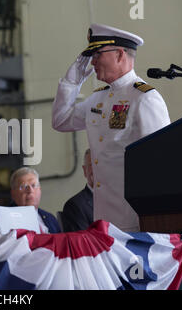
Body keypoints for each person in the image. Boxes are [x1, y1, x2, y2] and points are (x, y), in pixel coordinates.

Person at [52, 23, 170, 232]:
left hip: (135, 219)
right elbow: (60, 121)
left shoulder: (144, 98)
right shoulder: (98, 98)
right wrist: (71, 83)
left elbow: (161, 164)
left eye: (97, 54)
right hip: (104, 219)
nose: (93, 61)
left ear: (120, 54)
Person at [10, 167, 61, 233]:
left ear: (40, 189)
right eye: (23, 186)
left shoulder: (50, 218)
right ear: (13, 193)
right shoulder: (8, 218)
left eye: (33, 185)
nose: (30, 190)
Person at [62, 149, 94, 232]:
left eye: (102, 164)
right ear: (84, 170)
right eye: (92, 165)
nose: (97, 169)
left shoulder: (120, 200)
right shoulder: (75, 206)